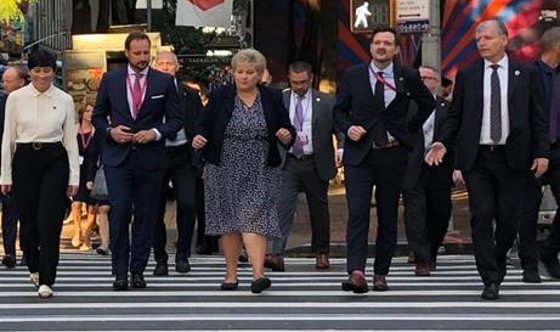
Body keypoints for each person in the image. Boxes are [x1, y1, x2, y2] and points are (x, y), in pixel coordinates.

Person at [426, 19, 549, 300]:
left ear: (504, 39)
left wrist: (541, 152)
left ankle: (497, 256)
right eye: (478, 38)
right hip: (478, 157)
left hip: (513, 157)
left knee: (508, 219)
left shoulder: (526, 73)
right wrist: (443, 141)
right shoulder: (468, 75)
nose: (481, 42)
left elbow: (538, 117)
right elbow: (455, 115)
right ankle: (490, 278)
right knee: (482, 215)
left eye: (487, 38)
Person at [334, 27, 435, 293]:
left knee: (388, 215)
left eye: (387, 43)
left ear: (395, 49)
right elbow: (339, 111)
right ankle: (356, 271)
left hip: (393, 153)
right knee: (357, 212)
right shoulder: (353, 75)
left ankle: (381, 272)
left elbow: (428, 104)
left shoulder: (407, 76)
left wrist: (407, 130)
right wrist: (348, 128)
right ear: (370, 47)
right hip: (360, 155)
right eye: (377, 43)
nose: (381, 47)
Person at [192, 49, 295, 293]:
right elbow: (203, 124)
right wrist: (199, 137)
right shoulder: (220, 96)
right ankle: (231, 274)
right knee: (228, 222)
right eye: (240, 72)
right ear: (233, 73)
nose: (245, 77)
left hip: (260, 166)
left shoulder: (271, 97)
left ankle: (258, 274)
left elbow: (286, 127)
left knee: (254, 217)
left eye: (250, 72)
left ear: (260, 75)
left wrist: (286, 134)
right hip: (224, 164)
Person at [92, 32, 182, 291]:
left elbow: (176, 121)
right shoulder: (111, 79)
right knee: (119, 212)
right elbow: (98, 116)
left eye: (146, 53)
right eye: (138, 53)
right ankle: (119, 272)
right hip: (118, 158)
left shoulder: (164, 82)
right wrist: (111, 131)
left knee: (146, 215)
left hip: (151, 157)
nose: (143, 58)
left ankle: (138, 270)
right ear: (127, 53)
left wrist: (154, 133)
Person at [0, 50, 80, 298]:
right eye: (37, 70)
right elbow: (8, 138)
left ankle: (47, 277)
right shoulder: (16, 98)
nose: (43, 76)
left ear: (53, 72)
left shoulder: (65, 99)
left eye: (47, 71)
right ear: (30, 73)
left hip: (55, 158)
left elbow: (71, 140)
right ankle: (33, 264)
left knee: (50, 220)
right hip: (25, 157)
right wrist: (5, 174)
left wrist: (74, 177)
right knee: (28, 219)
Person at [267, 61, 343, 271]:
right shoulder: (279, 99)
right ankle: (277, 252)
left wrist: (341, 147)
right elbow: (268, 125)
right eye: (294, 82)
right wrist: (277, 132)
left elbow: (339, 129)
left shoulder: (326, 102)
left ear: (310, 79)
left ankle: (321, 252)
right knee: (283, 207)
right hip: (288, 160)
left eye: (302, 82)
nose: (299, 86)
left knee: (319, 209)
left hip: (315, 160)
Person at [152, 51, 202, 275]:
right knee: (154, 207)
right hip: (156, 152)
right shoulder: (148, 91)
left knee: (188, 203)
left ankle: (183, 252)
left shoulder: (190, 94)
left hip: (183, 154)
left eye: (169, 64)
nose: (165, 67)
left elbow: (200, 123)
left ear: (177, 66)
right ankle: (160, 257)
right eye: (161, 63)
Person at [403, 66, 454, 276]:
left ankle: (431, 251)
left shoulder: (447, 107)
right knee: (415, 212)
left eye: (428, 78)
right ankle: (421, 257)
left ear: (437, 82)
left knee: (440, 211)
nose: (424, 81)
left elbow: (455, 135)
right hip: (412, 166)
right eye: (420, 77)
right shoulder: (405, 104)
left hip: (440, 167)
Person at [518, 26, 560, 282]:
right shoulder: (527, 73)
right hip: (530, 152)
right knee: (527, 211)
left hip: (558, 149)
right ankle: (529, 265)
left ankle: (549, 249)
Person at [0, 65, 27, 268]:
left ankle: (29, 249)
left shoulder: (31, 101)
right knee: (8, 208)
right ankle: (9, 251)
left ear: (21, 82)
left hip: (27, 161)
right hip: (3, 162)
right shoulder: (2, 101)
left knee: (28, 209)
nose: (4, 84)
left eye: (8, 81)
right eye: (4, 81)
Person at [70, 103, 99, 250]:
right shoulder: (74, 130)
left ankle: (87, 237)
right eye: (87, 111)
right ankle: (77, 231)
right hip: (76, 169)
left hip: (91, 169)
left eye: (93, 111)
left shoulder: (97, 132)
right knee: (76, 204)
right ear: (82, 113)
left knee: (92, 207)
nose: (90, 114)